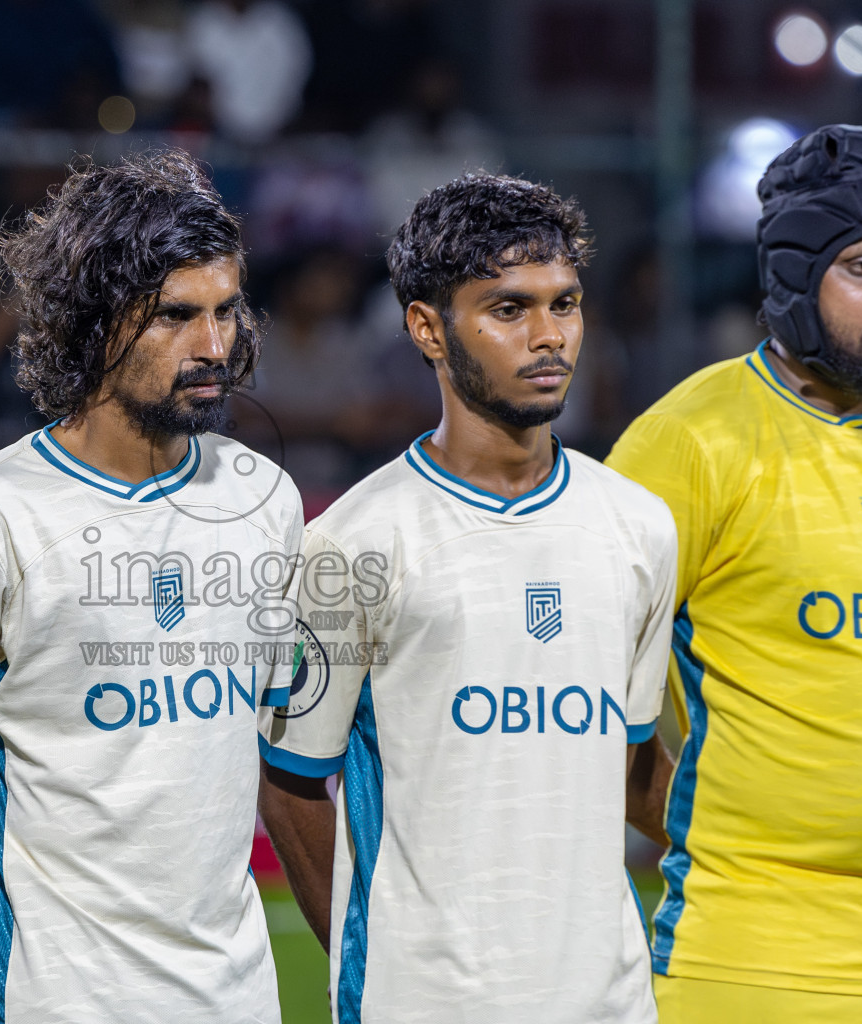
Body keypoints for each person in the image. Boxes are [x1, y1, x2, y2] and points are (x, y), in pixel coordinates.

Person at [0, 149, 302, 1024]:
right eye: (176, 317)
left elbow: (276, 753)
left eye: (227, 311)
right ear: (94, 323)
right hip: (52, 999)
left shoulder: (265, 497)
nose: (214, 346)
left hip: (237, 996)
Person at [257, 173, 676, 1023]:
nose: (550, 336)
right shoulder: (351, 543)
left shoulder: (638, 525)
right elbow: (292, 780)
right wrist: (363, 955)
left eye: (565, 304)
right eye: (510, 309)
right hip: (423, 1001)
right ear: (428, 328)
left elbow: (630, 763)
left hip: (611, 1001)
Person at [606, 124, 862, 1021]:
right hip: (756, 952)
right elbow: (579, 694)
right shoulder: (687, 443)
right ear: (789, 278)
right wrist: (721, 822)